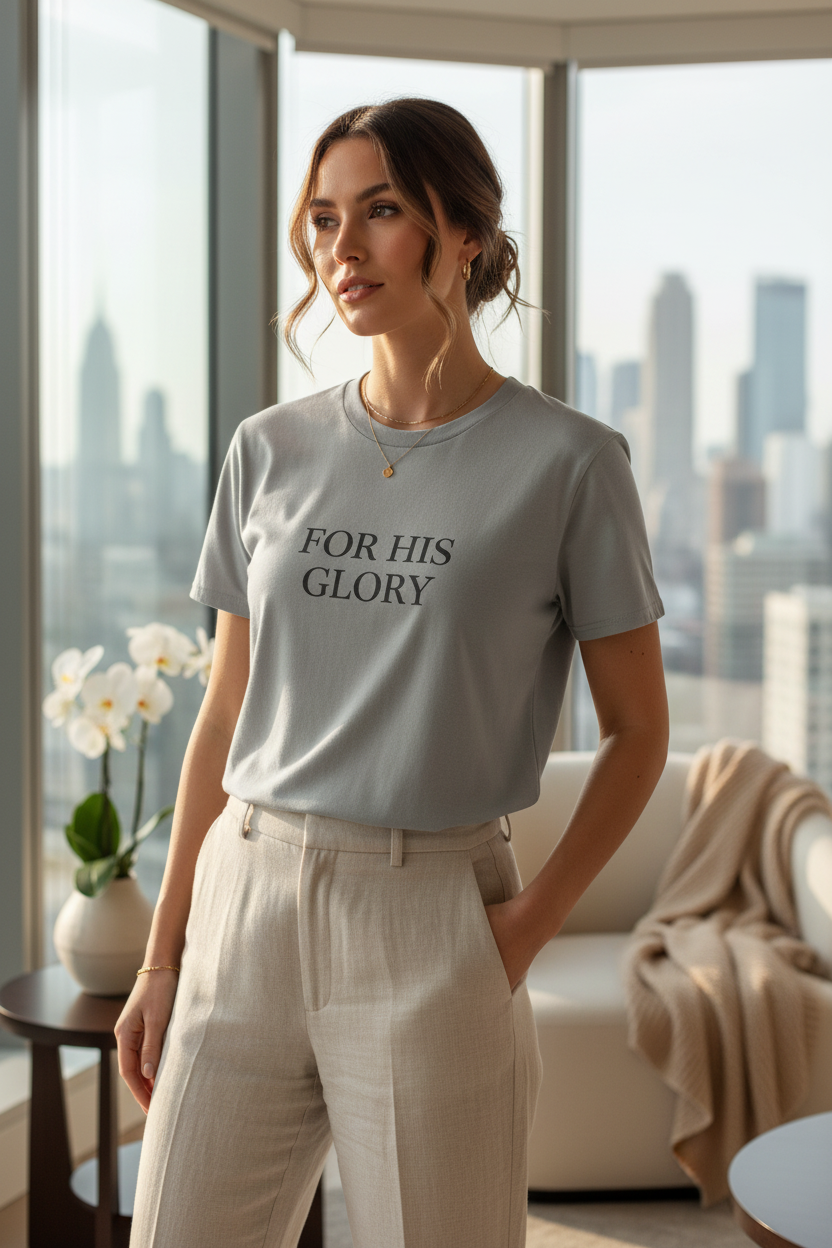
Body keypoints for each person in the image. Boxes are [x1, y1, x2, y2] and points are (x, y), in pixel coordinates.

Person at [117, 97, 669, 1248]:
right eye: (323, 219)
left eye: (378, 211)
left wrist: (514, 937)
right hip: (247, 901)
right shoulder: (267, 449)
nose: (341, 249)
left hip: (433, 921)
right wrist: (162, 957)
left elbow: (637, 735)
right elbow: (224, 714)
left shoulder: (569, 463)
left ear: (460, 231)